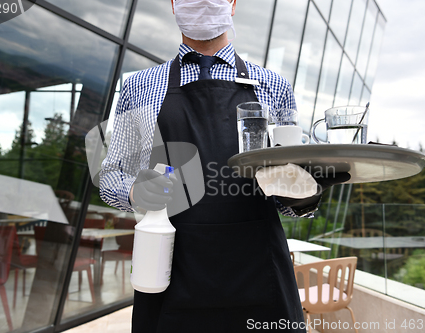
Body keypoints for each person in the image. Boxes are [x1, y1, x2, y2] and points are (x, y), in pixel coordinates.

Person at [99, 0, 349, 331]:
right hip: (168, 272)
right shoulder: (138, 86)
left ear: (232, 3)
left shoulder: (273, 86)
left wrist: (304, 193)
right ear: (174, 4)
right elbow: (110, 173)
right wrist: (133, 191)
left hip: (259, 277)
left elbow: (286, 194)